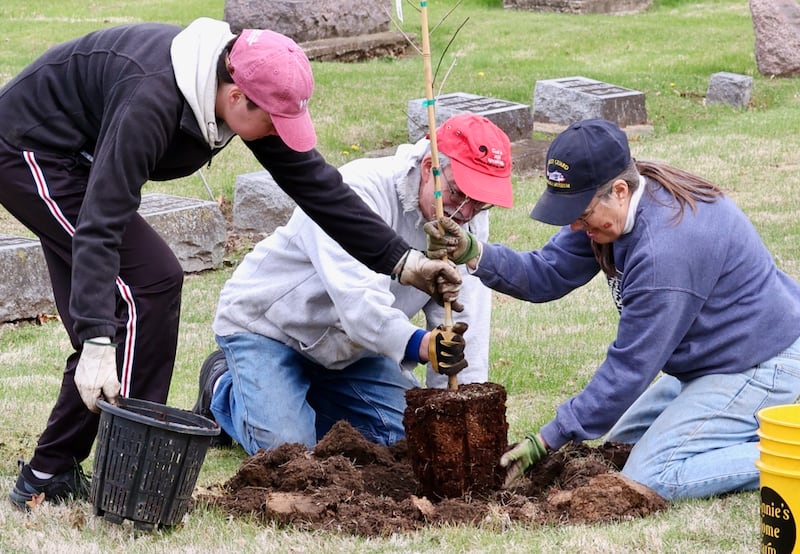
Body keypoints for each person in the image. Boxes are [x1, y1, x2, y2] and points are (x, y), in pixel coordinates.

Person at [0, 17, 462, 509]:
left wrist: (403, 262)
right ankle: (114, 471)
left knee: (145, 287)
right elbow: (100, 221)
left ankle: (50, 474)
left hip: (82, 155)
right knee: (146, 285)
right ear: (237, 97)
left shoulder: (238, 83)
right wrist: (95, 338)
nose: (278, 134)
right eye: (273, 121)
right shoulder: (151, 100)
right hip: (32, 151)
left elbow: (320, 189)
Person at [425, 118, 800, 501]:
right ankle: (747, 426)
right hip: (713, 362)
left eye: (581, 212)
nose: (573, 224)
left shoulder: (664, 252)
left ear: (619, 191)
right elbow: (546, 273)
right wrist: (475, 253)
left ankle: (788, 451)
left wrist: (547, 437)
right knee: (618, 449)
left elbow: (631, 367)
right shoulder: (615, 209)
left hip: (762, 364)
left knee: (649, 475)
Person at [192, 113, 514, 455]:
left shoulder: (467, 219)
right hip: (270, 329)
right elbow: (357, 301)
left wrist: (458, 412)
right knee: (287, 450)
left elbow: (466, 319)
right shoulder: (358, 190)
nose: (466, 211)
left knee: (410, 441)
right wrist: (420, 344)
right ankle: (223, 386)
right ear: (430, 166)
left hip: (354, 351)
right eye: (459, 193)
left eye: (481, 201)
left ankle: (297, 397)